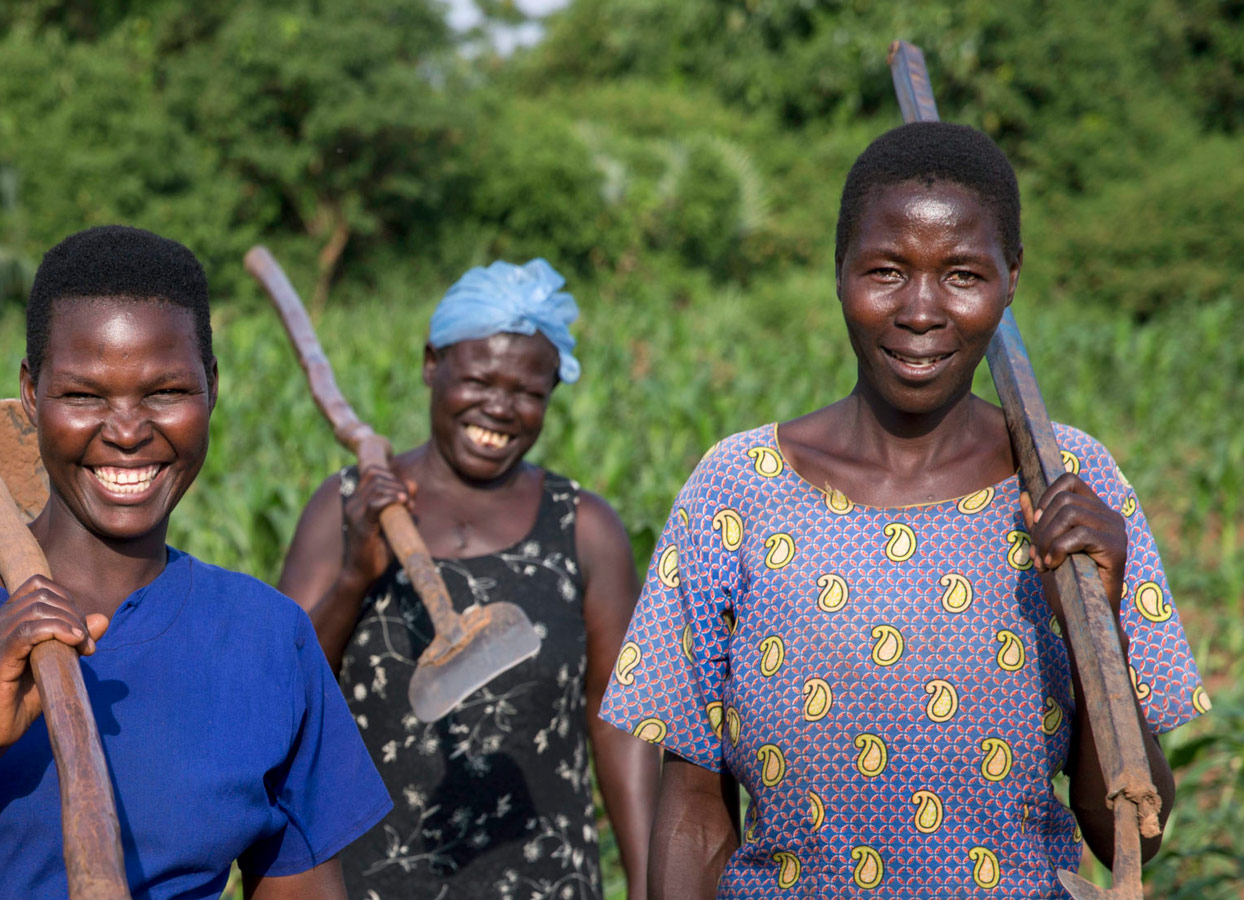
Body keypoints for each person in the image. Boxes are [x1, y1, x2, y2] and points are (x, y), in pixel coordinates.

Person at [600, 122, 1211, 898]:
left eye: (962, 275)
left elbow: (1133, 837)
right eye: (886, 271)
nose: (921, 310)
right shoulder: (738, 490)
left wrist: (1100, 617)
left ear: (1011, 280)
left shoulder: (1071, 485)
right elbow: (691, 804)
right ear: (839, 274)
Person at [0, 225, 390, 899]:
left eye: (165, 391)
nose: (126, 431)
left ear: (212, 388)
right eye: (84, 395)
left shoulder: (266, 638)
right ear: (32, 395)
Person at [276, 259, 658, 900]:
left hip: (544, 880)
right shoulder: (347, 509)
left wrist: (651, 883)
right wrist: (354, 577)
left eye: (529, 393)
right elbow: (282, 694)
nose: (501, 410)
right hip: (373, 879)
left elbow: (619, 721)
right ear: (432, 364)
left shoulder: (582, 527)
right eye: (479, 380)